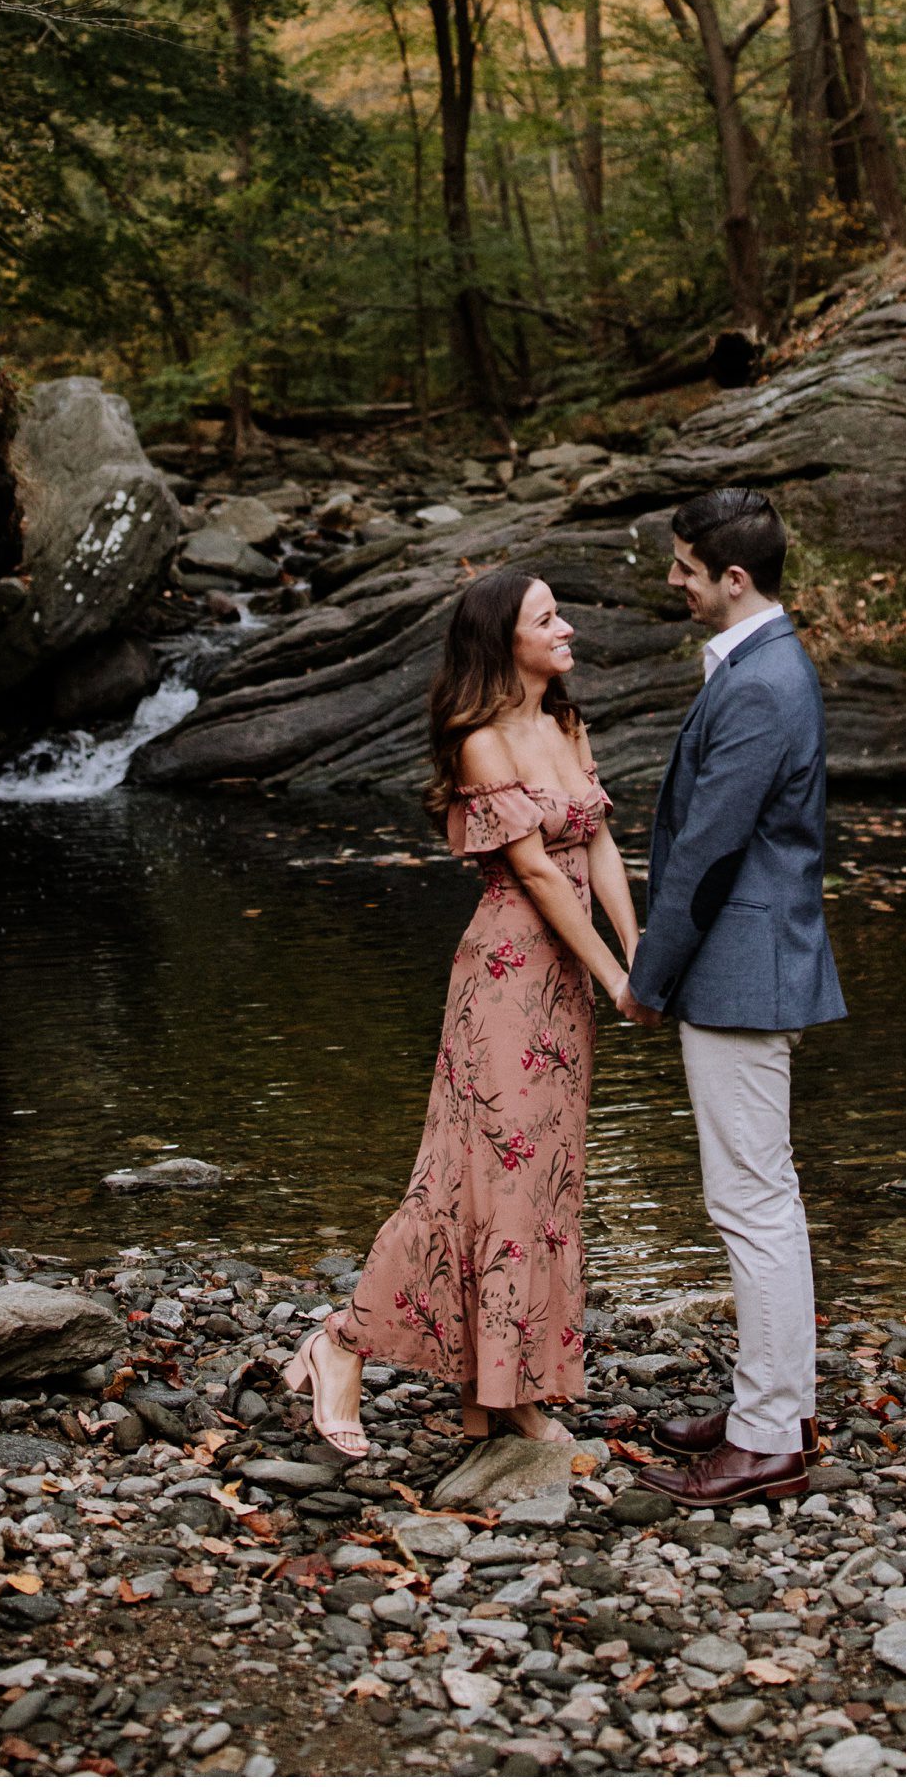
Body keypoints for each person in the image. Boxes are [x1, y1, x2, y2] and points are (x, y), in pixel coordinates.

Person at [281, 566, 640, 1457]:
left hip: (564, 989)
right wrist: (613, 976)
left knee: (544, 1183)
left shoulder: (566, 720)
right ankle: (341, 1343)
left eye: (561, 614)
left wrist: (644, 956)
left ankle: (500, 1394)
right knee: (473, 1182)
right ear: (501, 642)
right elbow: (538, 877)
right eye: (547, 619)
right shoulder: (481, 740)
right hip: (509, 980)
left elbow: (598, 847)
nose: (568, 631)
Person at [617, 484, 844, 1504]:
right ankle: (771, 1397)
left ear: (732, 577)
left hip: (738, 973)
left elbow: (708, 850)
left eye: (681, 565)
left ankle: (765, 1438)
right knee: (760, 1194)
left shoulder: (759, 683)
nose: (671, 580)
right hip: (749, 964)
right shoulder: (760, 664)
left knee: (750, 1201)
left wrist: (645, 975)